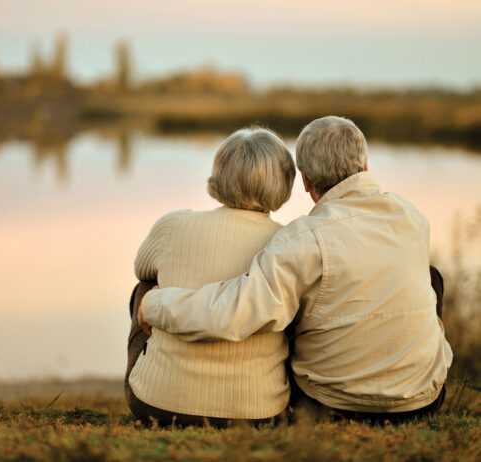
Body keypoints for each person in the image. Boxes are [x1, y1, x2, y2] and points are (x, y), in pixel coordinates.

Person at [139, 116, 453, 421]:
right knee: (431, 277)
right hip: (422, 399)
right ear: (366, 166)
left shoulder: (303, 239)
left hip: (331, 403)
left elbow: (236, 311)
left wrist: (153, 302)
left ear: (304, 180)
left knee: (291, 302)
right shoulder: (412, 218)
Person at [126, 127, 296, 425]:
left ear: (220, 174)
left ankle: (159, 375)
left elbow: (142, 268)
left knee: (145, 288)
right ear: (285, 181)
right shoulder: (289, 243)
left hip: (158, 405)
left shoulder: (173, 225)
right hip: (259, 411)